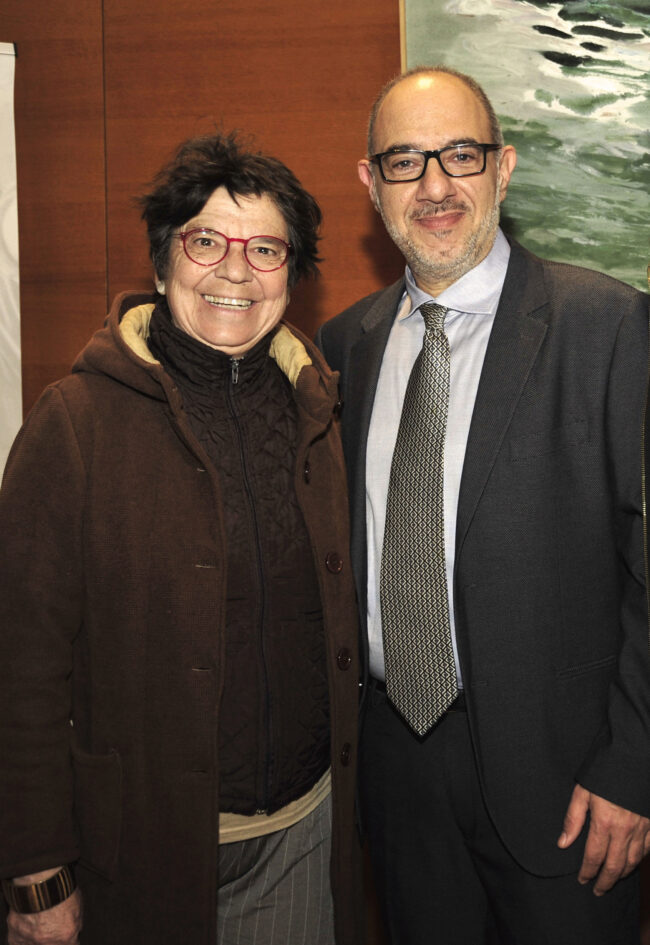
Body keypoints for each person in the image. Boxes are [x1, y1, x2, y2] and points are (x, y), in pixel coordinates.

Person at [0, 132, 362, 945]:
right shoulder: (75, 424)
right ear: (164, 264)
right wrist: (36, 873)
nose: (236, 270)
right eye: (206, 242)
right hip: (137, 851)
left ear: (292, 275)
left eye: (265, 248)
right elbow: (19, 668)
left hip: (300, 837)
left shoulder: (319, 410)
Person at [316, 65, 650, 945]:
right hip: (397, 775)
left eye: (459, 154)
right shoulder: (343, 346)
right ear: (371, 183)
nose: (434, 185)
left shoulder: (611, 327)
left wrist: (634, 768)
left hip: (572, 787)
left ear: (503, 167)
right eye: (405, 161)